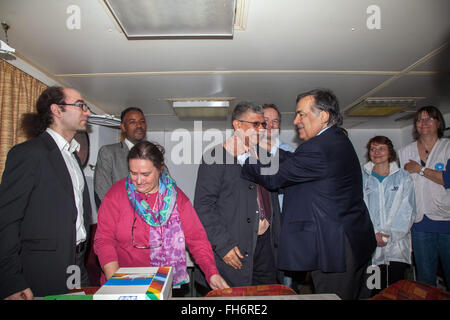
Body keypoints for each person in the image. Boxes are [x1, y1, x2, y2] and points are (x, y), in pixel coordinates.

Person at [240, 89, 377, 299]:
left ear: (323, 116)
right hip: (353, 240)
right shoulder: (334, 140)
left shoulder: (318, 148)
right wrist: (267, 150)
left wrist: (245, 159)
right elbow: (295, 161)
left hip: (337, 248)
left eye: (301, 114)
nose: (295, 121)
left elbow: (274, 178)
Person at [94, 141, 229, 291]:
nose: (138, 181)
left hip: (160, 285)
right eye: (133, 173)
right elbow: (104, 240)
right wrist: (116, 283)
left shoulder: (177, 198)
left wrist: (212, 273)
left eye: (145, 174)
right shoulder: (116, 194)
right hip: (122, 281)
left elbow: (197, 239)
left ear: (160, 168)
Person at [0, 86, 93, 300]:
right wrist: (11, 281)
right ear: (57, 110)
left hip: (76, 261)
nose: (86, 112)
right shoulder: (28, 154)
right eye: (80, 106)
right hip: (43, 267)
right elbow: (6, 220)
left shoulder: (73, 158)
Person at [193, 101, 282, 291]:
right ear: (237, 125)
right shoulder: (215, 157)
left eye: (262, 125)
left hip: (265, 248)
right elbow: (203, 206)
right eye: (255, 124)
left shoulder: (264, 156)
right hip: (234, 248)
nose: (261, 129)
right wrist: (223, 246)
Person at [398, 106, 450, 290]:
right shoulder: (405, 151)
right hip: (419, 222)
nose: (424, 123)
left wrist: (419, 169)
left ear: (438, 123)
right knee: (425, 278)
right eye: (420, 120)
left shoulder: (448, 148)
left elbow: (447, 179)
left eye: (429, 119)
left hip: (446, 220)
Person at [362, 136, 416, 294]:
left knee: (395, 290)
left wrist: (388, 236)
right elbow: (360, 210)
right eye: (373, 149)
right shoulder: (363, 178)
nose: (376, 152)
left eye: (381, 148)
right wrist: (373, 235)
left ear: (390, 152)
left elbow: (408, 210)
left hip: (396, 245)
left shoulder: (403, 177)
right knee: (374, 290)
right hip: (372, 244)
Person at [94, 107, 147, 206]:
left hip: (151, 219)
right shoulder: (108, 152)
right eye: (132, 122)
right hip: (120, 217)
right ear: (123, 127)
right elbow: (102, 191)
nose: (139, 125)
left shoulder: (153, 154)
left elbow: (167, 187)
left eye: (142, 121)